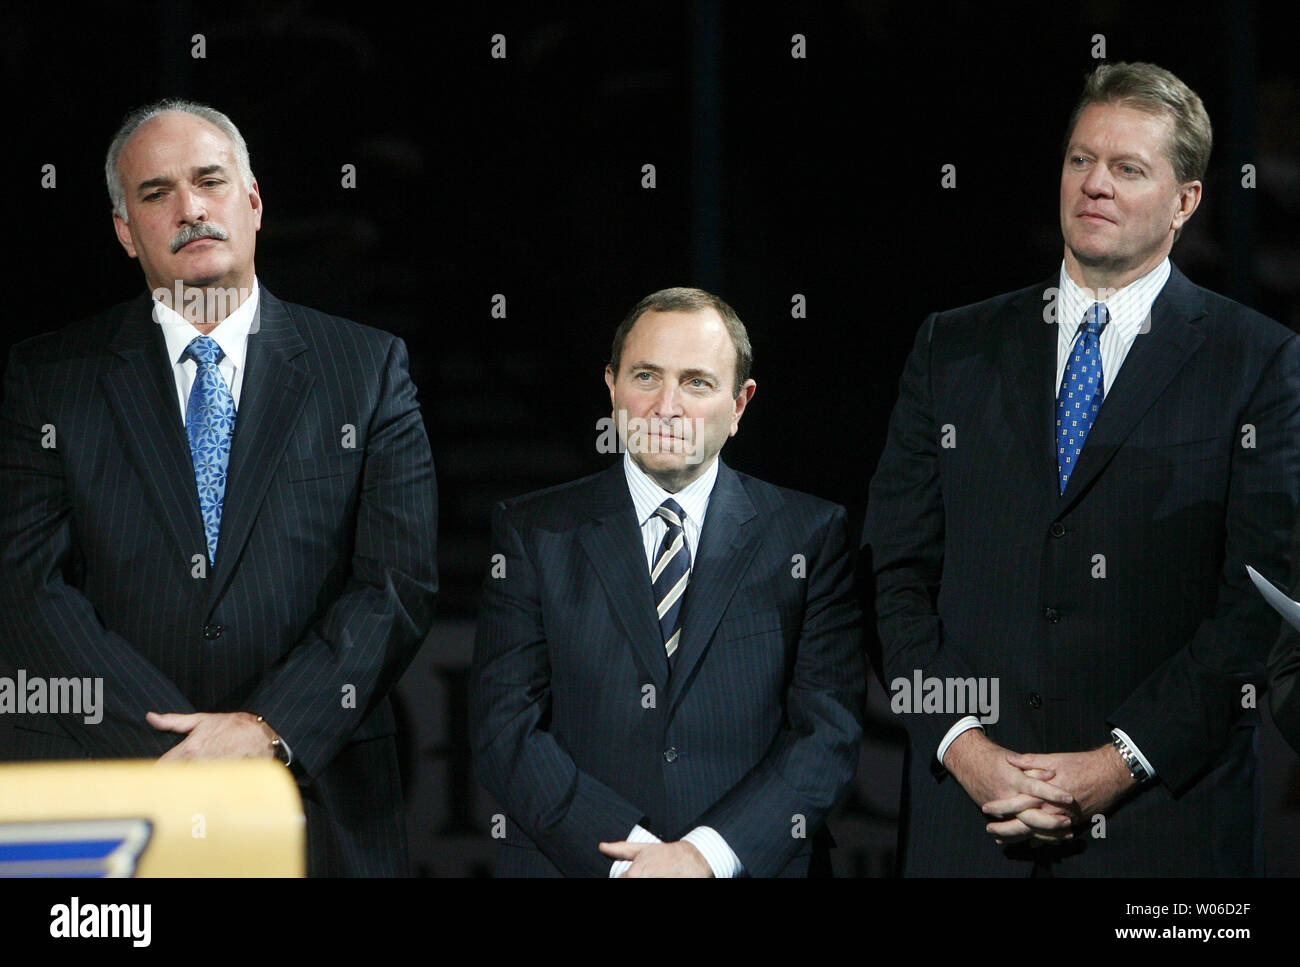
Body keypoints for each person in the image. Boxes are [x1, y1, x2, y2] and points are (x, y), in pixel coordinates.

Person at [864, 62, 1300, 875]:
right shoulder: (950, 348)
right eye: (1079, 160)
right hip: (970, 827)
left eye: (1128, 168)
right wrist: (965, 747)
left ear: (1186, 201)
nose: (1094, 184)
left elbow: (1255, 610)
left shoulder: (1260, 364)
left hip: (1163, 834)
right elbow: (897, 577)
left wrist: (1118, 764)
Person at [0, 99, 438, 876]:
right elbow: (27, 587)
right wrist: (179, 747)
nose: (191, 207)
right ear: (125, 231)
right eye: (156, 192)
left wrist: (267, 727)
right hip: (107, 803)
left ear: (254, 202)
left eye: (209, 181)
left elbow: (394, 586)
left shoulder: (367, 370)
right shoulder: (45, 379)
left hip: (314, 800)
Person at [469, 287, 865, 876]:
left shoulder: (810, 534)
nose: (667, 405)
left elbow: (826, 731)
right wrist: (627, 855)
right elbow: (504, 725)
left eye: (697, 382)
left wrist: (705, 856)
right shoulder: (533, 530)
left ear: (740, 404)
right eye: (647, 376)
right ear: (611, 386)